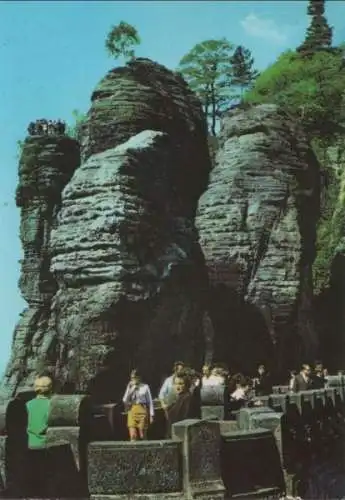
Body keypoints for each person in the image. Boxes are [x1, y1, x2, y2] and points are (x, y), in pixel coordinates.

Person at [25, 375, 53, 497]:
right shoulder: (52, 405)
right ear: (50, 388)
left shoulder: (26, 405)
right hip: (45, 447)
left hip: (28, 446)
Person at [164, 372, 201, 438]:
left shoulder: (187, 398)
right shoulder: (179, 398)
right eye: (175, 384)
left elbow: (185, 419)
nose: (177, 387)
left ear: (187, 385)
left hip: (181, 436)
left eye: (181, 384)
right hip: (174, 435)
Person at [122, 369, 154, 441]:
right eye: (132, 378)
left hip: (142, 409)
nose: (133, 380)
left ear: (139, 377)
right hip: (132, 409)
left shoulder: (145, 387)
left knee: (142, 434)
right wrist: (131, 389)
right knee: (133, 435)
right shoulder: (130, 386)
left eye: (134, 378)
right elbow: (125, 400)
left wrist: (151, 415)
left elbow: (150, 401)